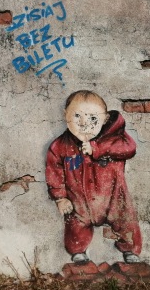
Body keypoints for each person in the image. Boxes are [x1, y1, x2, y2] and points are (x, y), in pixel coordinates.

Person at [46, 90, 142, 264]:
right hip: (79, 199)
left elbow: (129, 149)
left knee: (126, 221)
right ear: (64, 114)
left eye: (92, 118)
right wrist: (60, 198)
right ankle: (77, 252)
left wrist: (97, 148)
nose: (84, 124)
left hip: (113, 197)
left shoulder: (114, 137)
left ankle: (130, 250)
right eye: (77, 116)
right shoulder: (60, 146)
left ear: (105, 119)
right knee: (75, 225)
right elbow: (54, 171)